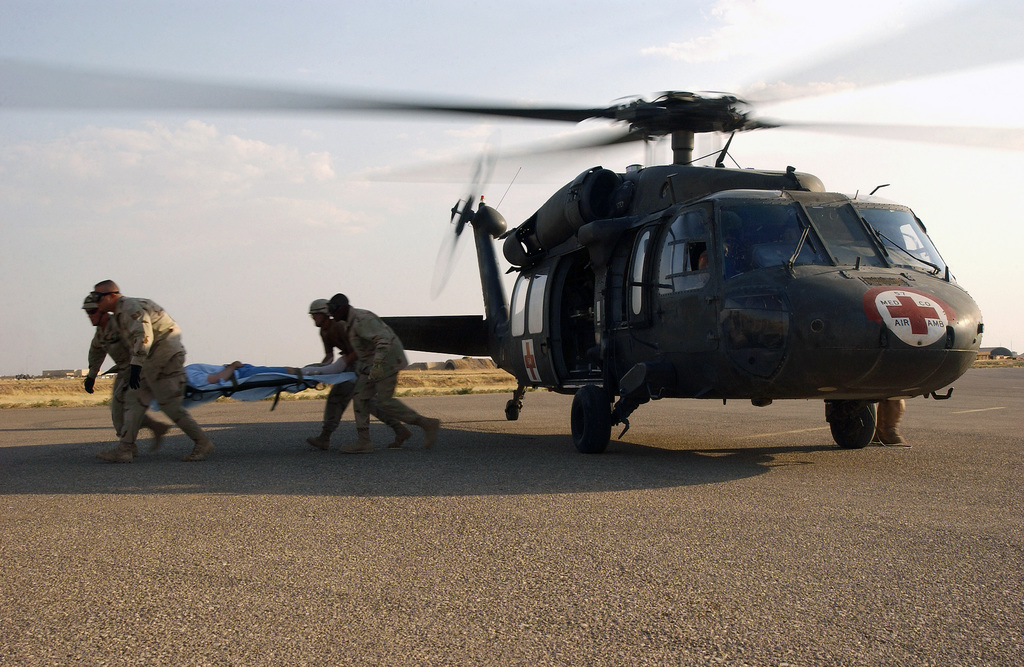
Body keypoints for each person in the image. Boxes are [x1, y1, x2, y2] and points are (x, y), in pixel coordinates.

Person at [90, 280, 215, 463]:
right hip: (158, 355)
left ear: (111, 296)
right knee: (150, 402)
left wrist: (136, 366)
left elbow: (143, 336)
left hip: (163, 353)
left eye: (98, 297)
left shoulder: (129, 308)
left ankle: (127, 449)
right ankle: (127, 448)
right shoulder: (119, 313)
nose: (96, 302)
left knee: (148, 400)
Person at [328, 293, 440, 453]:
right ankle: (364, 442)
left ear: (343, 308)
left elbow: (384, 339)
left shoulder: (362, 320)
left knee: (384, 401)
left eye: (334, 311)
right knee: (360, 397)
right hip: (371, 366)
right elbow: (364, 348)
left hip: (388, 362)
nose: (332, 315)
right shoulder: (349, 322)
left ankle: (427, 424)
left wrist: (378, 364)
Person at [303, 299, 411, 452]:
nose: (313, 318)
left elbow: (357, 350)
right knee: (367, 402)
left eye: (315, 315)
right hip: (348, 365)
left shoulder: (340, 326)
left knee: (341, 398)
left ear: (325, 314)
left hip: (359, 364)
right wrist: (323, 373)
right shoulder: (324, 332)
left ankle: (325, 438)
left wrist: (344, 364)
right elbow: (328, 356)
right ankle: (400, 430)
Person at [82, 294, 170, 453]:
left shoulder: (119, 324)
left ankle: (127, 447)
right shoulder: (101, 333)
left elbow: (141, 340)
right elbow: (96, 352)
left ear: (102, 311)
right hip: (123, 371)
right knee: (118, 412)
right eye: (87, 312)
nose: (90, 316)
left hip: (138, 369)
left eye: (93, 311)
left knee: (127, 406)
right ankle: (154, 428)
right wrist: (91, 376)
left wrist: (139, 369)